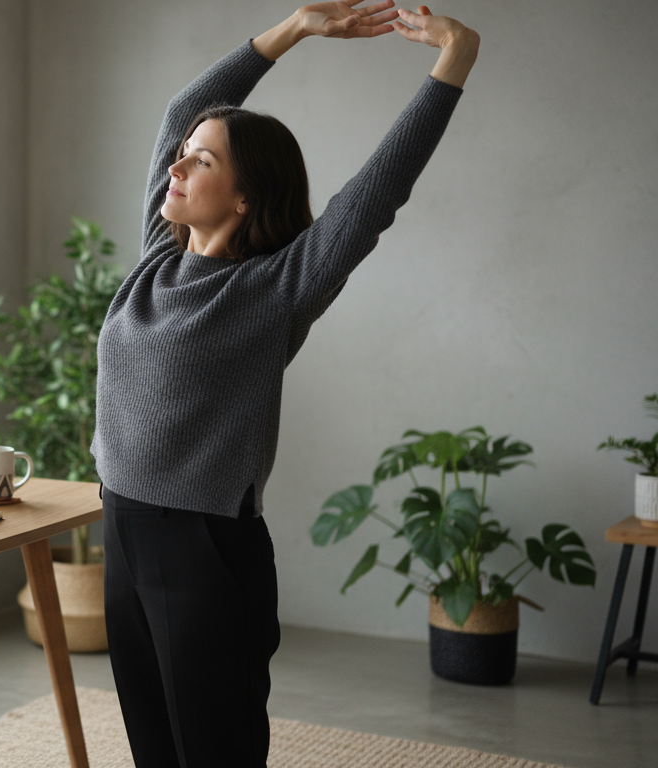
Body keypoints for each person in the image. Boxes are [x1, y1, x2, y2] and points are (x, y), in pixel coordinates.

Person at [90, 2, 479, 765]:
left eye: (202, 160)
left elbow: (373, 195)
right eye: (184, 154)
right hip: (123, 529)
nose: (177, 163)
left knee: (215, 750)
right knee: (152, 748)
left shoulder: (275, 291)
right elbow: (179, 113)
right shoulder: (155, 258)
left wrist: (454, 60)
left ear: (244, 196)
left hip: (205, 548)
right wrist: (296, 28)